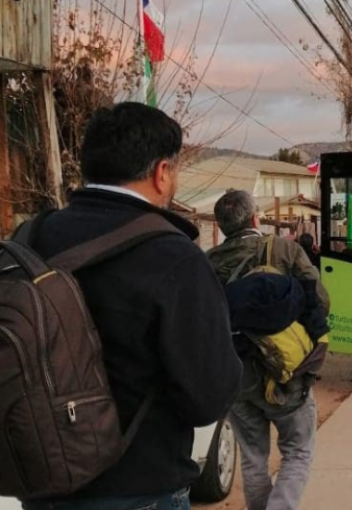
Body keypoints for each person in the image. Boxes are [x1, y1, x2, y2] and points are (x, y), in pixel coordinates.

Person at [19, 102, 243, 510]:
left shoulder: (30, 239)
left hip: (39, 486)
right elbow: (208, 397)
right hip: (138, 488)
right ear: (162, 173)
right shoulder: (173, 257)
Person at [206, 190, 330, 510]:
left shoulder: (207, 264)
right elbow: (322, 301)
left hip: (236, 377)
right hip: (287, 374)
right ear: (255, 219)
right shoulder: (285, 250)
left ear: (221, 227)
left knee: (253, 460)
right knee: (298, 453)